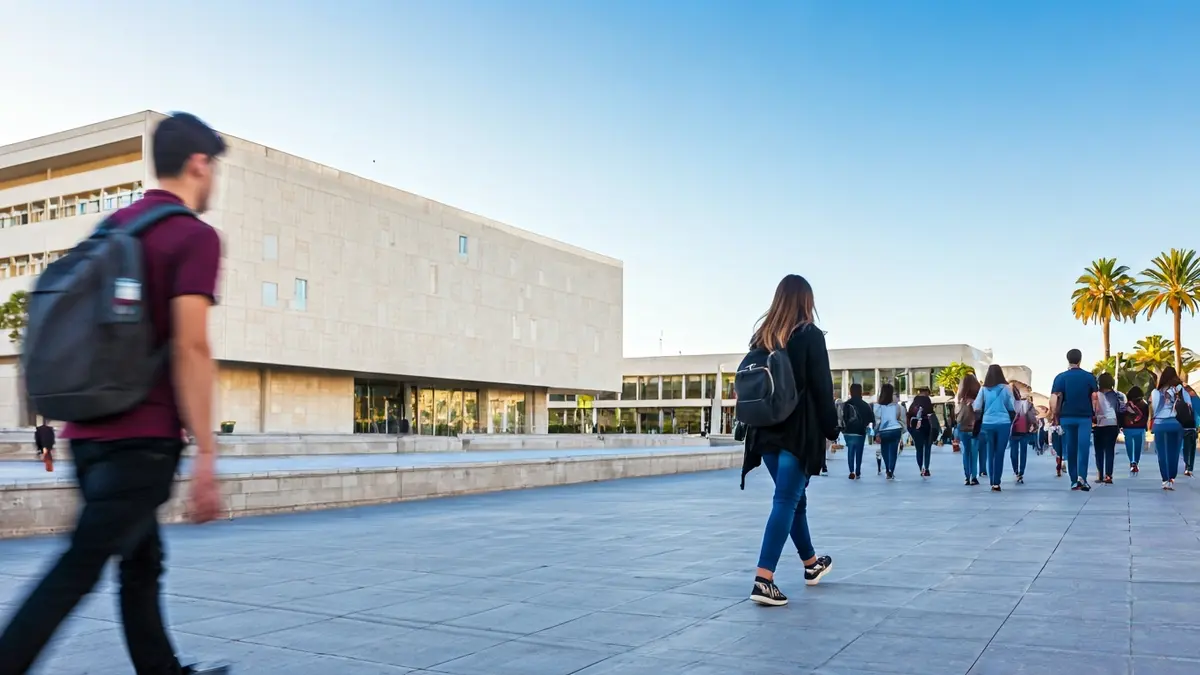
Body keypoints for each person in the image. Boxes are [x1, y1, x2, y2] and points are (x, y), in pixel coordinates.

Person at [0, 113, 229, 675]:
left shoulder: (114, 226)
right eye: (215, 169)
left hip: (88, 436)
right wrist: (207, 453)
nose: (216, 181)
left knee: (141, 563)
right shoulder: (194, 236)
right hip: (141, 441)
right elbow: (191, 347)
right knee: (79, 568)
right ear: (199, 164)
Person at [742, 275, 837, 607]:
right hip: (797, 432)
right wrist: (832, 429)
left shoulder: (762, 337)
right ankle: (763, 579)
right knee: (786, 499)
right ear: (806, 301)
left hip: (765, 431)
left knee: (794, 500)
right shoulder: (809, 335)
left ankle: (811, 564)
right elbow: (823, 388)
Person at [1050, 349, 1099, 492]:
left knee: (1070, 448)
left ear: (1068, 359)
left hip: (1066, 417)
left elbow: (1054, 399)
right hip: (1084, 417)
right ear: (1080, 359)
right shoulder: (1089, 377)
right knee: (1083, 448)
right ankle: (1082, 477)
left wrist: (1055, 415)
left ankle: (1073, 481)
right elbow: (1095, 398)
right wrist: (1096, 413)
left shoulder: (1060, 377)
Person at [974, 365, 1016, 492]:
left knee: (990, 451)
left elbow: (977, 406)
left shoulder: (983, 389)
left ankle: (992, 480)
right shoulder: (1006, 388)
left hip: (987, 423)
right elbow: (1011, 406)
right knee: (1000, 453)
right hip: (1003, 423)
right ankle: (997, 482)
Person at [1149, 367, 1190, 490]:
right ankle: (1172, 477)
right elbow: (1189, 405)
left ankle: (1165, 479)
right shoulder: (1180, 389)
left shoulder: (1156, 392)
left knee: (1162, 453)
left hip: (1160, 424)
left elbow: (1155, 408)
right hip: (1176, 424)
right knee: (1174, 452)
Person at [1090, 373, 1125, 485]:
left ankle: (1100, 474)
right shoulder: (1118, 395)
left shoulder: (1095, 395)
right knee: (1110, 450)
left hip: (1098, 424)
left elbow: (1092, 410)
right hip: (1112, 424)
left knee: (1098, 450)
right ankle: (1109, 475)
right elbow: (1122, 410)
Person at [840, 383, 873, 480]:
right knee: (859, 451)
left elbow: (843, 418)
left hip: (848, 432)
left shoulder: (846, 404)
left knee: (850, 450)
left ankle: (851, 471)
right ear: (860, 392)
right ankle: (858, 471)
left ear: (850, 392)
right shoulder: (865, 405)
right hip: (860, 432)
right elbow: (870, 418)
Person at [873, 383, 905, 480]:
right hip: (896, 430)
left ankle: (887, 469)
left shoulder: (878, 406)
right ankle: (891, 470)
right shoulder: (897, 406)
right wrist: (902, 430)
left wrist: (876, 433)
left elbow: (877, 421)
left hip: (884, 431)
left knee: (885, 450)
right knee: (893, 451)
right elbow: (902, 419)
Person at [956, 373, 982, 486]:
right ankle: (974, 477)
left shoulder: (960, 399)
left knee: (966, 452)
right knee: (974, 452)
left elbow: (956, 415)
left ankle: (967, 476)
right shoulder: (979, 398)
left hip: (963, 427)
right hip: (975, 427)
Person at [1009, 385, 1035, 484]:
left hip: (1013, 431)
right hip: (1024, 430)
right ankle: (1021, 472)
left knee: (1013, 452)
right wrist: (1034, 424)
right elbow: (1032, 417)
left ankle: (1016, 471)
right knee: (1023, 452)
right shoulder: (1027, 404)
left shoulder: (1009, 404)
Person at [907, 387, 935, 477]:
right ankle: (926, 468)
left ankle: (921, 468)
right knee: (927, 447)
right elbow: (931, 413)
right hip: (927, 426)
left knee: (919, 449)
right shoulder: (927, 400)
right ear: (926, 392)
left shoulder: (914, 402)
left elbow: (909, 414)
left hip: (916, 427)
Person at [1122, 386, 1149, 473]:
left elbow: (1122, 416)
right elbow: (1146, 417)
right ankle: (1136, 463)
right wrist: (1145, 428)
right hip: (1140, 428)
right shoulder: (1144, 404)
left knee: (1129, 446)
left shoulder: (1127, 404)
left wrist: (1122, 426)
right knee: (1138, 446)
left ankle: (1131, 461)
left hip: (1128, 428)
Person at [1182, 384, 1199, 477]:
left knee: (1187, 448)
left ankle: (1187, 467)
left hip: (1185, 427)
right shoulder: (1194, 399)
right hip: (1191, 427)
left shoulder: (1182, 399)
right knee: (1190, 449)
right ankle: (1189, 468)